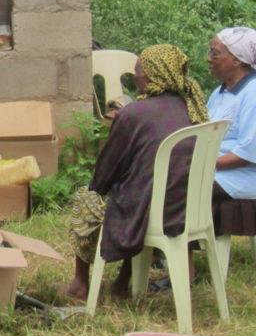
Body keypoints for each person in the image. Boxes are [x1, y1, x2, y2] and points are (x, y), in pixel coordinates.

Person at [65, 44, 208, 301]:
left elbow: (103, 177)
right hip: (189, 208)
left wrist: (103, 184)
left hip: (150, 211)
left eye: (139, 70)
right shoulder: (194, 107)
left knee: (87, 198)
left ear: (153, 74)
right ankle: (123, 279)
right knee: (140, 186)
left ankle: (80, 283)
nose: (136, 76)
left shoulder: (134, 114)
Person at [206, 26, 256, 200]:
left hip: (240, 177)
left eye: (214, 53)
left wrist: (201, 164)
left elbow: (248, 153)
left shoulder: (253, 93)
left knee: (177, 185)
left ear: (237, 60)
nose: (209, 59)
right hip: (214, 169)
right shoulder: (219, 92)